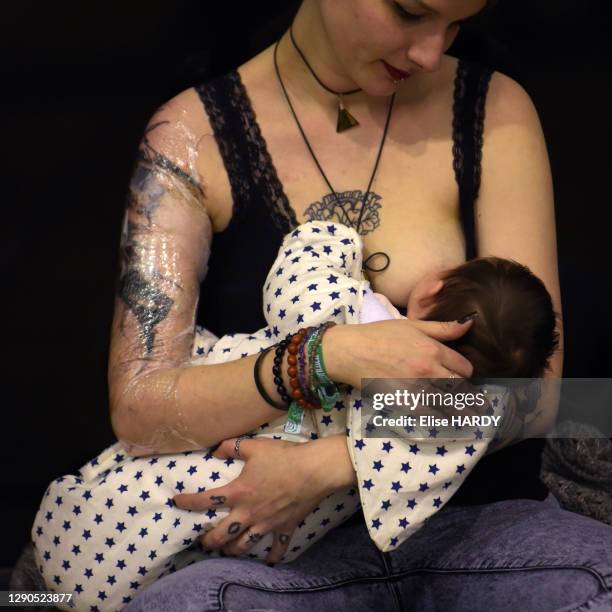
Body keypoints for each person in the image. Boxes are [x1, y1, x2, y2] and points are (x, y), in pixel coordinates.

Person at [45, 0, 612, 610]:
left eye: (454, 24)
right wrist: (323, 355)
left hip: (478, 529)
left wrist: (332, 465)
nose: (430, 51)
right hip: (285, 564)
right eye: (409, 12)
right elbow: (141, 407)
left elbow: (542, 391)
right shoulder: (191, 140)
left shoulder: (494, 112)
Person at [30, 215, 558, 610]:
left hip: (124, 512)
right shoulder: (440, 422)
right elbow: (547, 406)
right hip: (216, 552)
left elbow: (294, 286)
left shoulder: (352, 315)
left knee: (97, 537)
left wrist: (337, 238)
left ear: (435, 286)